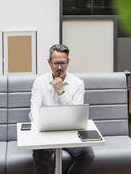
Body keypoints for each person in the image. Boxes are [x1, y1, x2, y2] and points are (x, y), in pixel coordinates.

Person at [30, 44, 95, 174]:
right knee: (40, 155)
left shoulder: (77, 83)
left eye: (63, 63)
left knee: (87, 155)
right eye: (55, 63)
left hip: (70, 133)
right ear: (49, 62)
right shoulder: (40, 82)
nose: (59, 68)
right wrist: (42, 130)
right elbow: (34, 112)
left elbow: (76, 114)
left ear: (68, 62)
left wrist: (61, 92)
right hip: (46, 134)